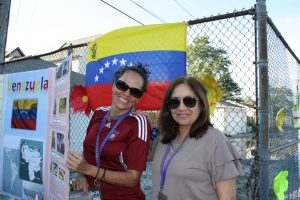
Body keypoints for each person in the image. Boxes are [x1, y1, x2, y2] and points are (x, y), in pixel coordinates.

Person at [66, 64, 152, 200]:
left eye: (135, 92)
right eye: (122, 85)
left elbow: (132, 179)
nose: (127, 94)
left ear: (139, 98)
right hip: (91, 193)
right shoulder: (99, 113)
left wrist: (87, 169)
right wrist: (82, 174)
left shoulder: (138, 123)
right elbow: (90, 150)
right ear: (113, 85)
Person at [151, 76, 243, 200]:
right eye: (174, 102)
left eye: (189, 101)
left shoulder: (215, 141)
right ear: (169, 107)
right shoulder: (163, 139)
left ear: (201, 104)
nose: (181, 108)